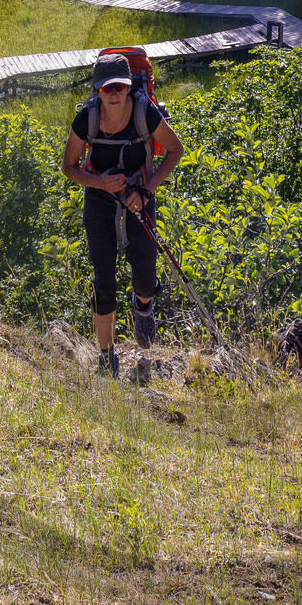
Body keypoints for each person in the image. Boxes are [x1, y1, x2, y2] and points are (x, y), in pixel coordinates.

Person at [60, 53, 184, 375]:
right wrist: (99, 181)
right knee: (104, 279)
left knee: (144, 272)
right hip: (100, 198)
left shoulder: (145, 112)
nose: (113, 94)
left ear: (129, 87)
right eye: (106, 89)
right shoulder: (86, 119)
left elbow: (175, 150)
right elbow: (69, 167)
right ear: (97, 91)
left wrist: (148, 189)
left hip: (140, 195)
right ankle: (106, 354)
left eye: (119, 87)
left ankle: (143, 305)